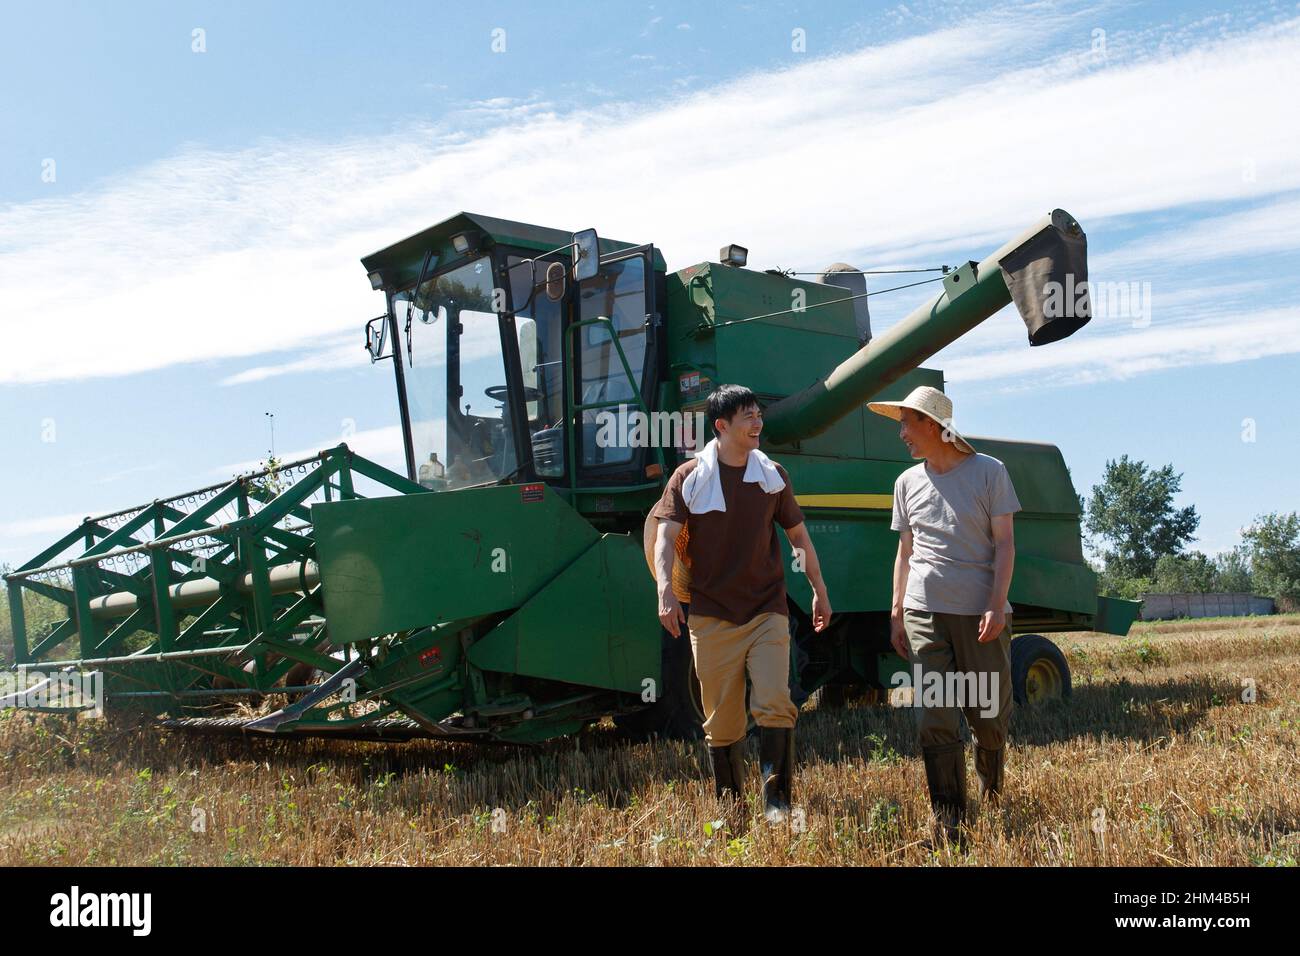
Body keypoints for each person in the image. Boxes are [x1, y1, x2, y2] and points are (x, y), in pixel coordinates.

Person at [650, 384, 831, 824]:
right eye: (748, 416)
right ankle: (730, 808)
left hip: (767, 610)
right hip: (710, 615)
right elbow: (664, 537)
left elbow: (798, 538)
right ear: (721, 426)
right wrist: (664, 590)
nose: (758, 423)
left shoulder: (773, 476)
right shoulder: (689, 477)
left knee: (775, 702)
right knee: (722, 721)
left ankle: (778, 807)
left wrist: (819, 589)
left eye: (758, 414)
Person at [867, 385, 1020, 843]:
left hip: (979, 614)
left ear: (933, 424)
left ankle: (990, 785)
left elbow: (1006, 543)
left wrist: (996, 605)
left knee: (988, 716)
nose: (902, 435)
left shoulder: (990, 472)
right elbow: (905, 551)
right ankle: (949, 816)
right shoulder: (906, 483)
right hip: (924, 611)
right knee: (934, 714)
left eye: (907, 424)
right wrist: (897, 611)